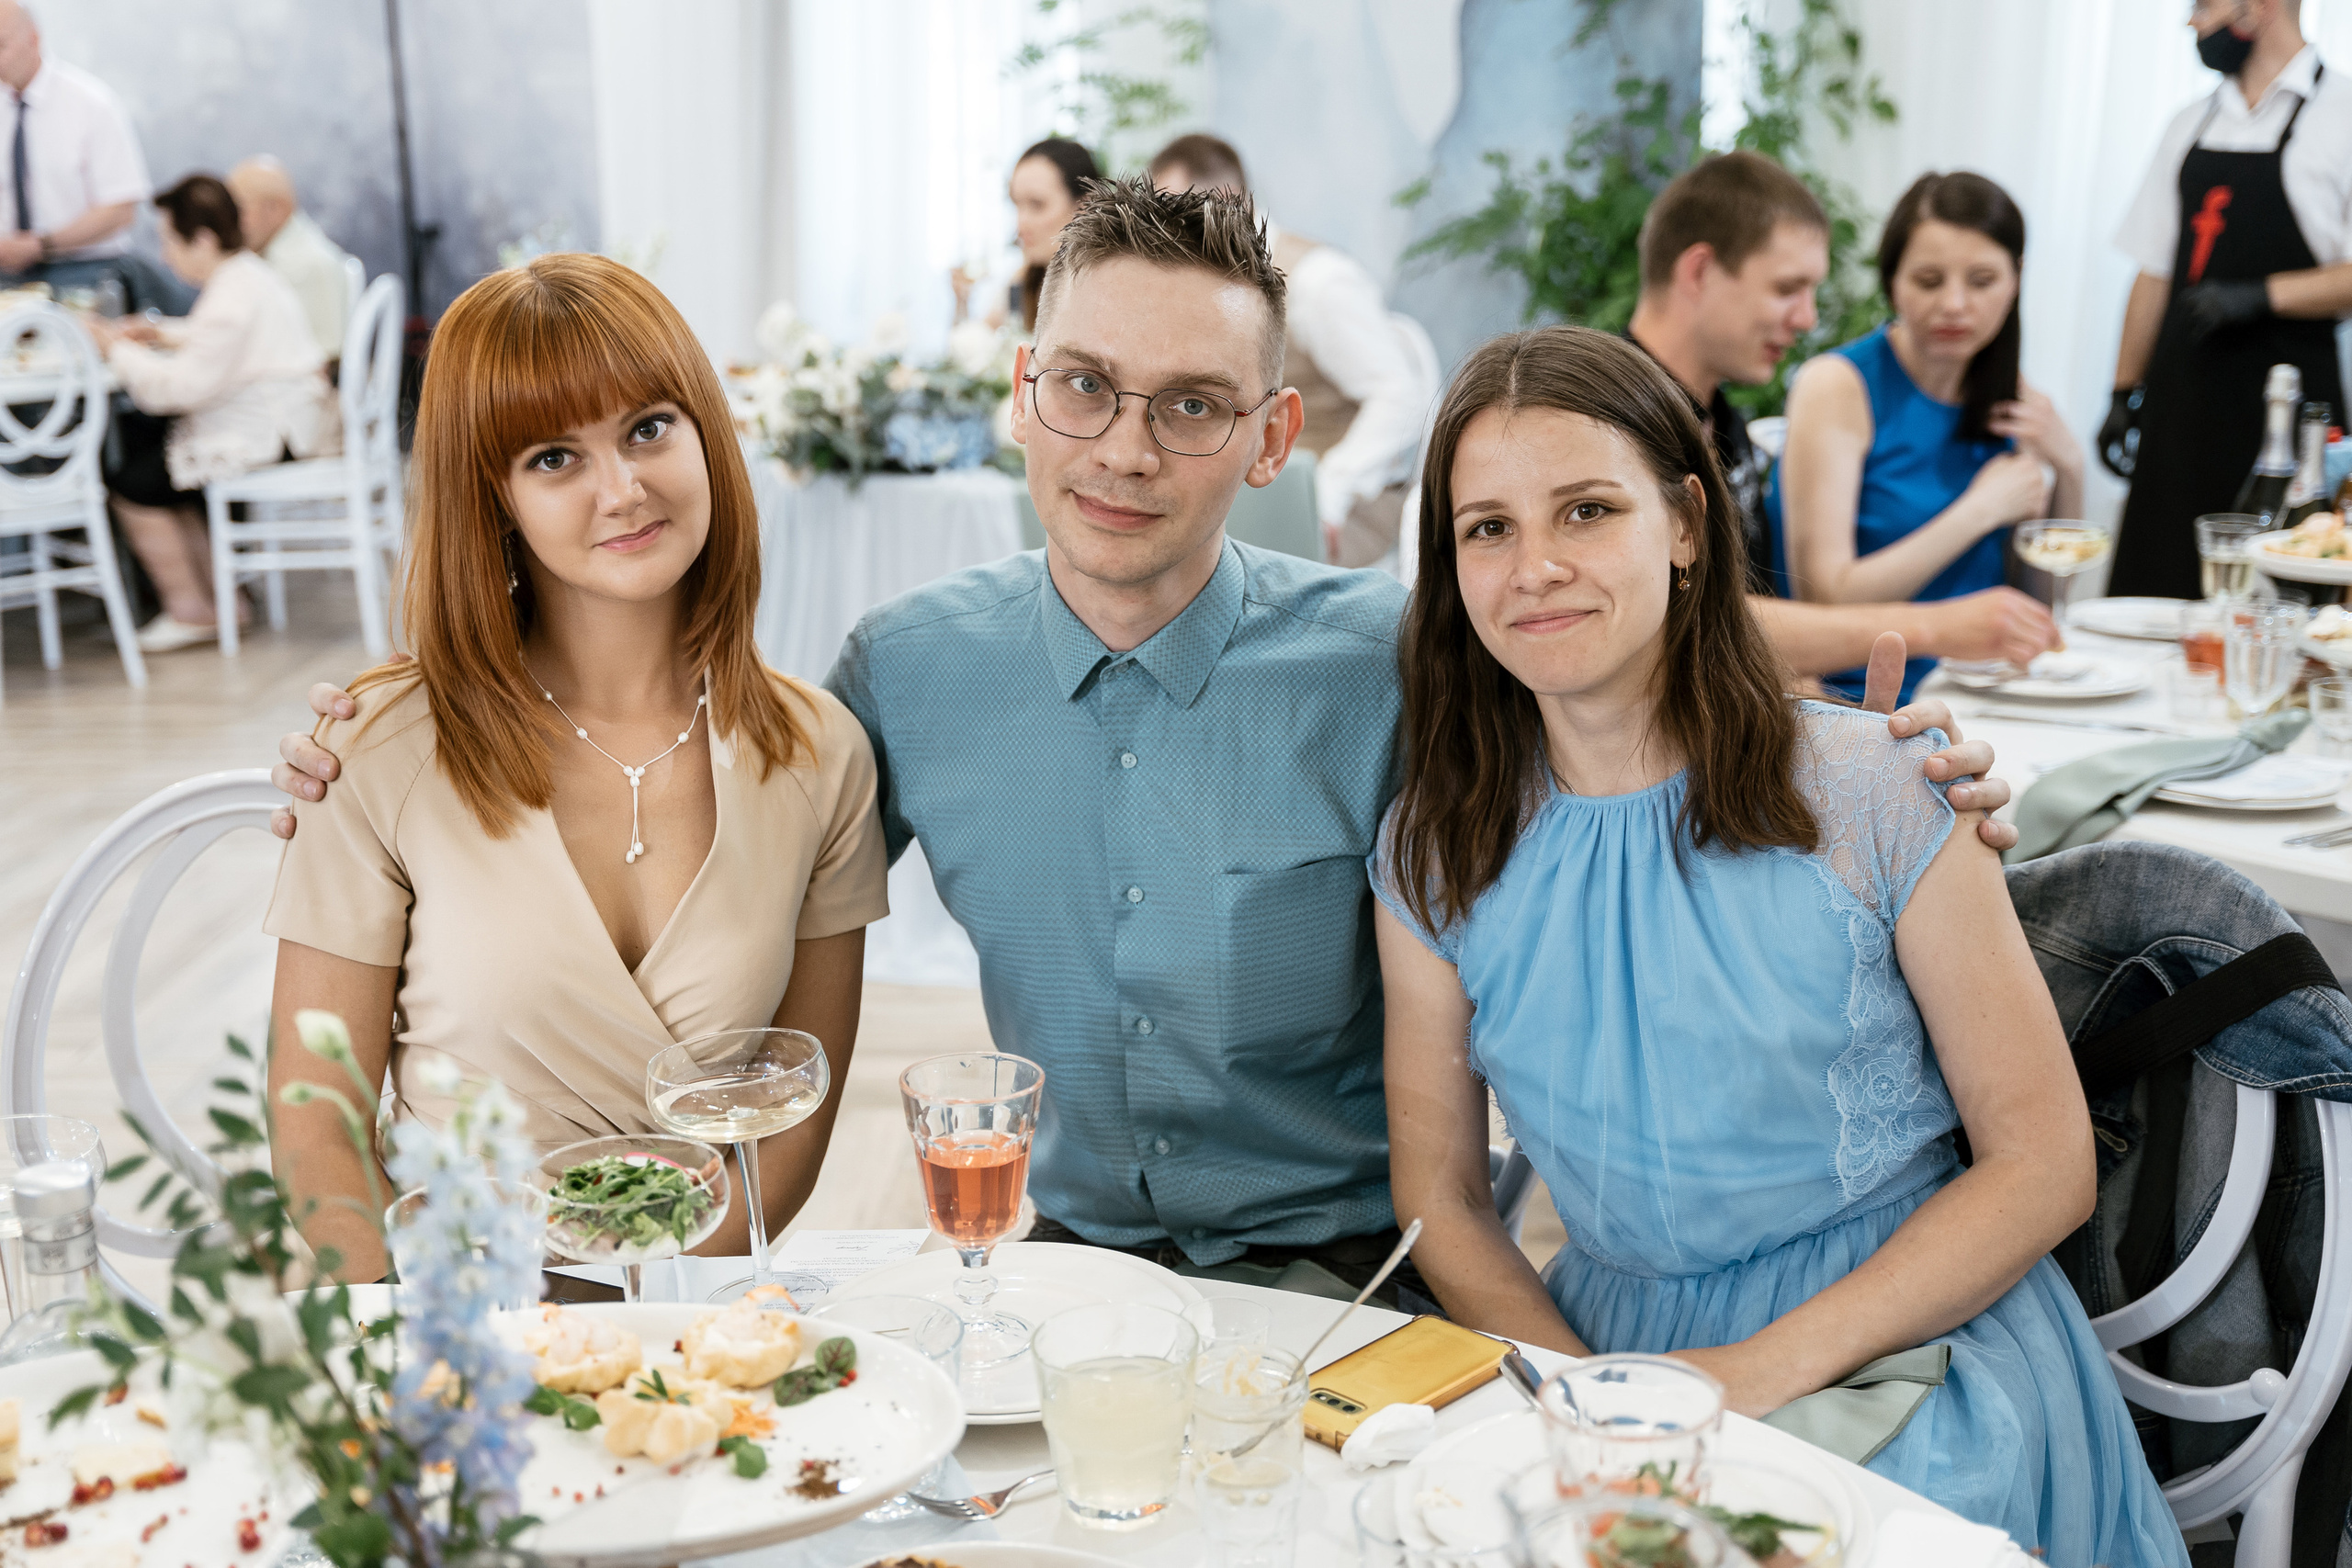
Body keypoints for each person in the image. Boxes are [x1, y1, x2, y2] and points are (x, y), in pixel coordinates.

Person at [269, 180, 2017, 1305]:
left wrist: (1851, 765)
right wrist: (388, 714)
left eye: (1190, 407)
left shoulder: (1395, 657)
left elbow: (1615, 660)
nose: (1124, 446)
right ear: (1023, 390)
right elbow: (708, 788)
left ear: (1270, 438)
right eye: (1085, 387)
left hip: (1361, 1270)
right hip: (1045, 1273)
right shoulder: (898, 676)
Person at [1374, 324, 2187, 1564]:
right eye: (1486, 527)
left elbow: (2042, 1160)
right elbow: (1441, 1197)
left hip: (1910, 1343)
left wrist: (1742, 1377)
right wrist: (1593, 1399)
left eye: (1586, 509)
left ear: (1688, 523)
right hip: (1609, 1351)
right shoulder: (1434, 845)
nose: (1535, 566)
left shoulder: (1881, 783)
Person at [263, 254, 888, 1283]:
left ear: (704, 436)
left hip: (697, 1320)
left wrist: (641, 1335)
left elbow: (786, 1139)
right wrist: (471, 1348)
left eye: (648, 428)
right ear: (494, 496)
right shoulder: (377, 747)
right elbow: (315, 1130)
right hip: (450, 1323)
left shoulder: (819, 753)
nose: (623, 489)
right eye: (554, 457)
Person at [1625, 151, 2058, 684]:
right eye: (1788, 289)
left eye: (1983, 280)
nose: (1807, 319)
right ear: (1699, 271)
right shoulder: (1615, 422)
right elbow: (1686, 623)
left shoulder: (1717, 419)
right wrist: (1939, 628)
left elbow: (1737, 619)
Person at [1770, 170, 2084, 704]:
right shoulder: (1839, 386)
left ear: (2017, 277)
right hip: (1867, 698)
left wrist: (2070, 465)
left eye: (1982, 281)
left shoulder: (2012, 400)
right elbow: (1826, 596)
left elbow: (2042, 600)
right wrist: (1979, 511)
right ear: (1892, 281)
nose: (1956, 305)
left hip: (1994, 687)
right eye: (1929, 281)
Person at [2105, 0, 2352, 599]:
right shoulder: (2189, 123)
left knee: (2287, 599)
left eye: (2205, 5)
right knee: (2157, 589)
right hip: (2181, 408)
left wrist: (2262, 295)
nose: (2193, 22)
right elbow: (2155, 272)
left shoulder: (2342, 117)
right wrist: (2122, 390)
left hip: (2292, 420)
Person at [1149, 134, 1435, 569]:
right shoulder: (1200, 282)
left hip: (1345, 518)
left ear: (1228, 199)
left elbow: (1401, 396)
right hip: (1249, 507)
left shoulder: (1319, 283)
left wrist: (1331, 492)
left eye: (1174, 211)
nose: (1164, 230)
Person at [89, 175, 333, 653]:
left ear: (201, 239)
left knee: (133, 480)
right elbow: (220, 344)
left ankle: (192, 608)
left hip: (268, 436)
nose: (163, 256)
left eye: (168, 241)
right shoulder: (246, 275)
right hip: (290, 425)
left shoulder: (232, 295)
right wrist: (157, 333)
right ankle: (222, 603)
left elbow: (177, 390)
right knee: (155, 458)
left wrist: (113, 348)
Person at [0, 0, 187, 313]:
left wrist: (40, 245)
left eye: (1, 45)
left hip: (84, 271)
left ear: (33, 39)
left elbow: (121, 209)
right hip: (7, 276)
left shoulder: (92, 105)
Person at [951, 138, 1100, 335]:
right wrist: (961, 302)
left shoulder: (1104, 293)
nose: (1020, 225)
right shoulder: (1023, 283)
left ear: (1084, 206)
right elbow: (974, 347)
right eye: (1016, 205)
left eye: (1037, 205)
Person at [226, 156, 355, 368]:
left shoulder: (309, 265)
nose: (230, 222)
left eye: (238, 210)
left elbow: (327, 356)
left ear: (275, 208)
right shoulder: (265, 256)